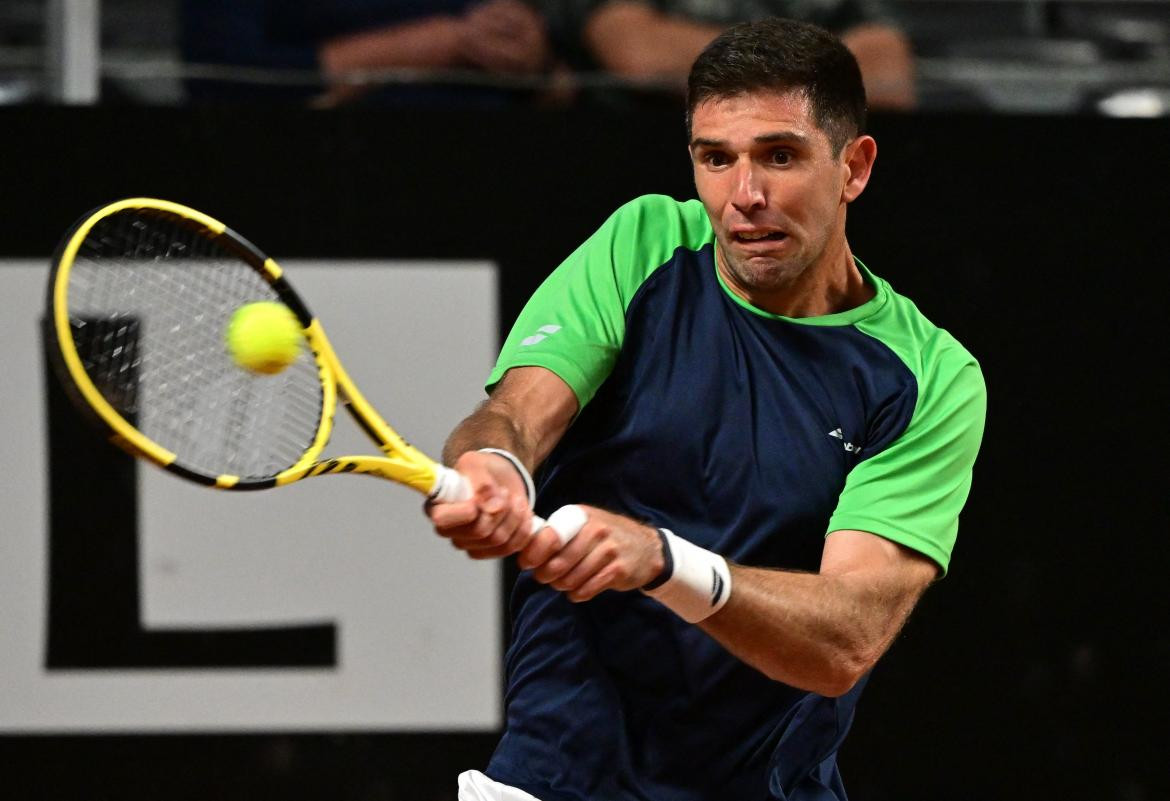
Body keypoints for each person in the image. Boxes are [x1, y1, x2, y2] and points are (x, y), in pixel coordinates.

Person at [427, 17, 985, 801]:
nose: (743, 197)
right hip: (556, 778)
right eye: (715, 159)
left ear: (854, 167)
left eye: (779, 156)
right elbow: (517, 412)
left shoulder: (927, 377)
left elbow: (847, 637)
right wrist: (495, 463)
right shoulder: (644, 243)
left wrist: (664, 562)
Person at [544, 0, 916, 108]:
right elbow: (640, 55)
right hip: (634, 171)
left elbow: (886, 77)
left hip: (797, 175)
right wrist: (816, 65)